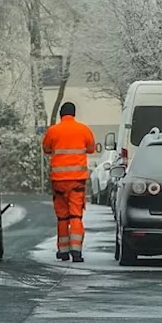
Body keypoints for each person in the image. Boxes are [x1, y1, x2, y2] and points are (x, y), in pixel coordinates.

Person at [41, 102, 97, 262]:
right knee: (76, 216)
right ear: (74, 114)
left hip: (58, 181)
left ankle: (63, 251)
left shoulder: (53, 131)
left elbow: (46, 149)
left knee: (62, 217)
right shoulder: (84, 130)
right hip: (77, 181)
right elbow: (91, 148)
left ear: (60, 114)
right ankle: (76, 251)